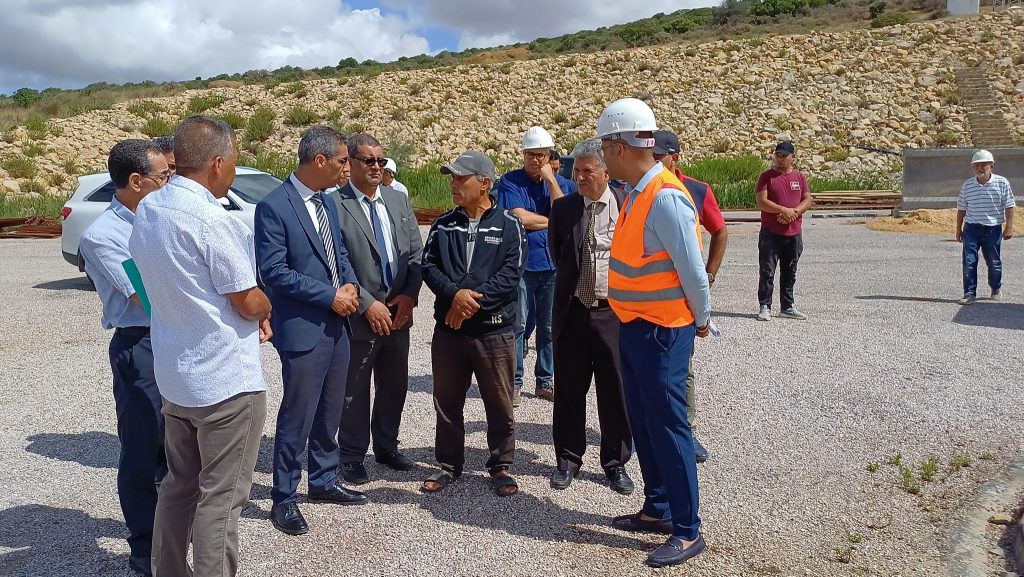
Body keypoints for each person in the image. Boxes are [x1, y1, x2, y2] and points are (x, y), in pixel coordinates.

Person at [129, 116, 271, 577]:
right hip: (224, 381)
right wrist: (266, 303)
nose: (233, 171)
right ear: (217, 163)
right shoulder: (213, 220)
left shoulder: (149, 208)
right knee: (221, 499)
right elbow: (246, 301)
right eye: (234, 162)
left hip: (176, 375)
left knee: (179, 485)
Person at [597, 98, 711, 568]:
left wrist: (702, 319)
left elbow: (693, 271)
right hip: (636, 326)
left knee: (668, 426)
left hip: (663, 331)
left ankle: (687, 530)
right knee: (643, 421)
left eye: (604, 147)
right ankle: (658, 507)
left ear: (620, 147)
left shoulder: (664, 197)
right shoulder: (637, 192)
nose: (602, 156)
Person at [254, 125, 366, 537]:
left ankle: (323, 480)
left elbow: (339, 254)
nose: (346, 169)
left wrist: (350, 286)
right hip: (304, 329)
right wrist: (329, 296)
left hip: (337, 324)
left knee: (331, 409)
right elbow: (275, 272)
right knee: (297, 415)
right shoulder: (273, 206)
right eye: (342, 161)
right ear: (320, 160)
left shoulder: (327, 202)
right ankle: (284, 496)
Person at [79, 139, 171, 576]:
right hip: (142, 345)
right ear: (136, 181)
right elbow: (146, 296)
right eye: (163, 176)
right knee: (142, 448)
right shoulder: (104, 236)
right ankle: (144, 546)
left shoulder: (162, 217)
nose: (169, 183)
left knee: (179, 444)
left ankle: (174, 531)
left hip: (176, 338)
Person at [420, 151, 526, 496]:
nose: (453, 184)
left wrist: (468, 304)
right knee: (447, 400)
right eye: (452, 177)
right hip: (450, 331)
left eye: (460, 178)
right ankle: (449, 464)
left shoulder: (509, 224)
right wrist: (455, 295)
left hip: (493, 331)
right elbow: (428, 266)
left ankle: (501, 465)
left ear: (484, 184)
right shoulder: (443, 224)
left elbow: (511, 274)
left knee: (499, 401)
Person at [332, 134, 423, 484]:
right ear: (351, 163)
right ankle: (352, 455)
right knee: (354, 389)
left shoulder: (398, 200)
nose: (376, 167)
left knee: (394, 384)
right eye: (368, 160)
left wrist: (409, 296)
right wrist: (368, 304)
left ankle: (387, 447)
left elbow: (416, 254)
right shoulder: (334, 204)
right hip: (359, 316)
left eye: (380, 161)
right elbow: (338, 261)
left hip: (398, 315)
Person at [547, 139, 633, 495]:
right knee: (569, 391)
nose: (579, 178)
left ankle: (615, 463)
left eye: (588, 171)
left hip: (613, 314)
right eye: (576, 171)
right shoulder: (564, 209)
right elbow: (559, 256)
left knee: (615, 390)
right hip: (574, 313)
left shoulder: (627, 206)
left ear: (606, 173)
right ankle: (568, 460)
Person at [653, 130, 729, 463]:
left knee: (682, 367)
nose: (654, 162)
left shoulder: (696, 190)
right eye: (651, 156)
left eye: (660, 157)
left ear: (675, 158)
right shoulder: (638, 188)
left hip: (681, 298)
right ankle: (647, 429)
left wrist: (709, 274)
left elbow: (720, 230)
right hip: (646, 295)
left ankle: (687, 430)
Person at [497, 125, 577, 405]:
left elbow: (565, 213)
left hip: (553, 265)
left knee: (550, 327)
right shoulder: (510, 182)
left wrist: (551, 181)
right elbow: (520, 217)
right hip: (522, 265)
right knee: (518, 324)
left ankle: (545, 380)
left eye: (540, 155)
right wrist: (553, 220)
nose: (535, 160)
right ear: (523, 154)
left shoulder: (564, 185)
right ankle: (515, 381)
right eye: (530, 155)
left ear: (549, 156)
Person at [754, 141, 811, 321]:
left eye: (784, 156)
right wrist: (782, 210)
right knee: (767, 270)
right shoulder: (767, 177)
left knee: (790, 270)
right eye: (778, 155)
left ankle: (788, 306)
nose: (780, 159)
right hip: (771, 232)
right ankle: (765, 306)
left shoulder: (799, 177)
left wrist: (794, 213)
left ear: (793, 157)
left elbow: (807, 199)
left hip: (793, 232)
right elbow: (762, 201)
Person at [956, 149, 1016, 304]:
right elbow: (961, 208)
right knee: (969, 262)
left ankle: (995, 288)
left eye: (983, 164)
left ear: (991, 166)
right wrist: (958, 229)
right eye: (976, 165)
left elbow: (1009, 206)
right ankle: (969, 293)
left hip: (992, 229)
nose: (979, 168)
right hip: (971, 229)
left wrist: (1009, 227)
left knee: (994, 262)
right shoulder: (967, 186)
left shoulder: (1002, 183)